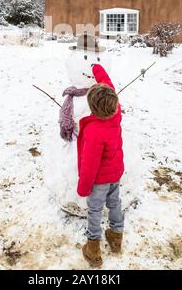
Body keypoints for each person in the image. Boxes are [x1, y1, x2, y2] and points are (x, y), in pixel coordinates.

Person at [77, 63, 125, 267]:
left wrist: (83, 187)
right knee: (115, 203)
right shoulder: (116, 113)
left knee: (95, 210)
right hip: (115, 174)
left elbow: (89, 165)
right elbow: (108, 86)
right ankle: (116, 237)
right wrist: (97, 68)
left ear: (92, 108)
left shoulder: (94, 131)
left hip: (98, 181)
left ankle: (93, 247)